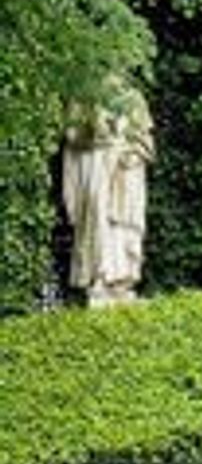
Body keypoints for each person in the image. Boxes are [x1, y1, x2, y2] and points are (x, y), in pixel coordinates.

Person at [61, 79, 153, 306]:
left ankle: (123, 280)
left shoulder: (133, 97)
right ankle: (100, 278)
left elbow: (145, 140)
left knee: (123, 227)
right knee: (98, 222)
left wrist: (133, 154)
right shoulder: (83, 95)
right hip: (97, 164)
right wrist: (94, 132)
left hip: (125, 171)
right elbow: (72, 136)